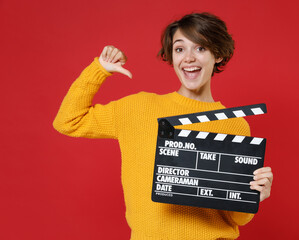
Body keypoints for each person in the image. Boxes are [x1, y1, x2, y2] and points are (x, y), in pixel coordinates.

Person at [53, 12, 273, 240]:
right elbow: (68, 121)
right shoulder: (138, 108)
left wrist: (253, 194)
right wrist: (99, 70)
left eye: (200, 48)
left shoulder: (235, 125)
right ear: (172, 56)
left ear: (217, 54)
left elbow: (235, 217)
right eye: (180, 49)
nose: (188, 58)